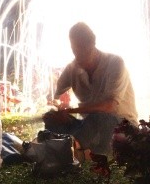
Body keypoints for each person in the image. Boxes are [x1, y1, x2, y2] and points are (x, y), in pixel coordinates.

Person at [43, 22, 137, 159]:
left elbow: (109, 106)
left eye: (83, 49)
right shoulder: (72, 68)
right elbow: (54, 95)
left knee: (100, 117)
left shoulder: (115, 63)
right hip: (89, 128)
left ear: (93, 43)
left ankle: (71, 150)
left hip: (121, 127)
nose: (79, 55)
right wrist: (59, 108)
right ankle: (74, 147)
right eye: (75, 50)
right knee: (51, 117)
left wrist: (71, 111)